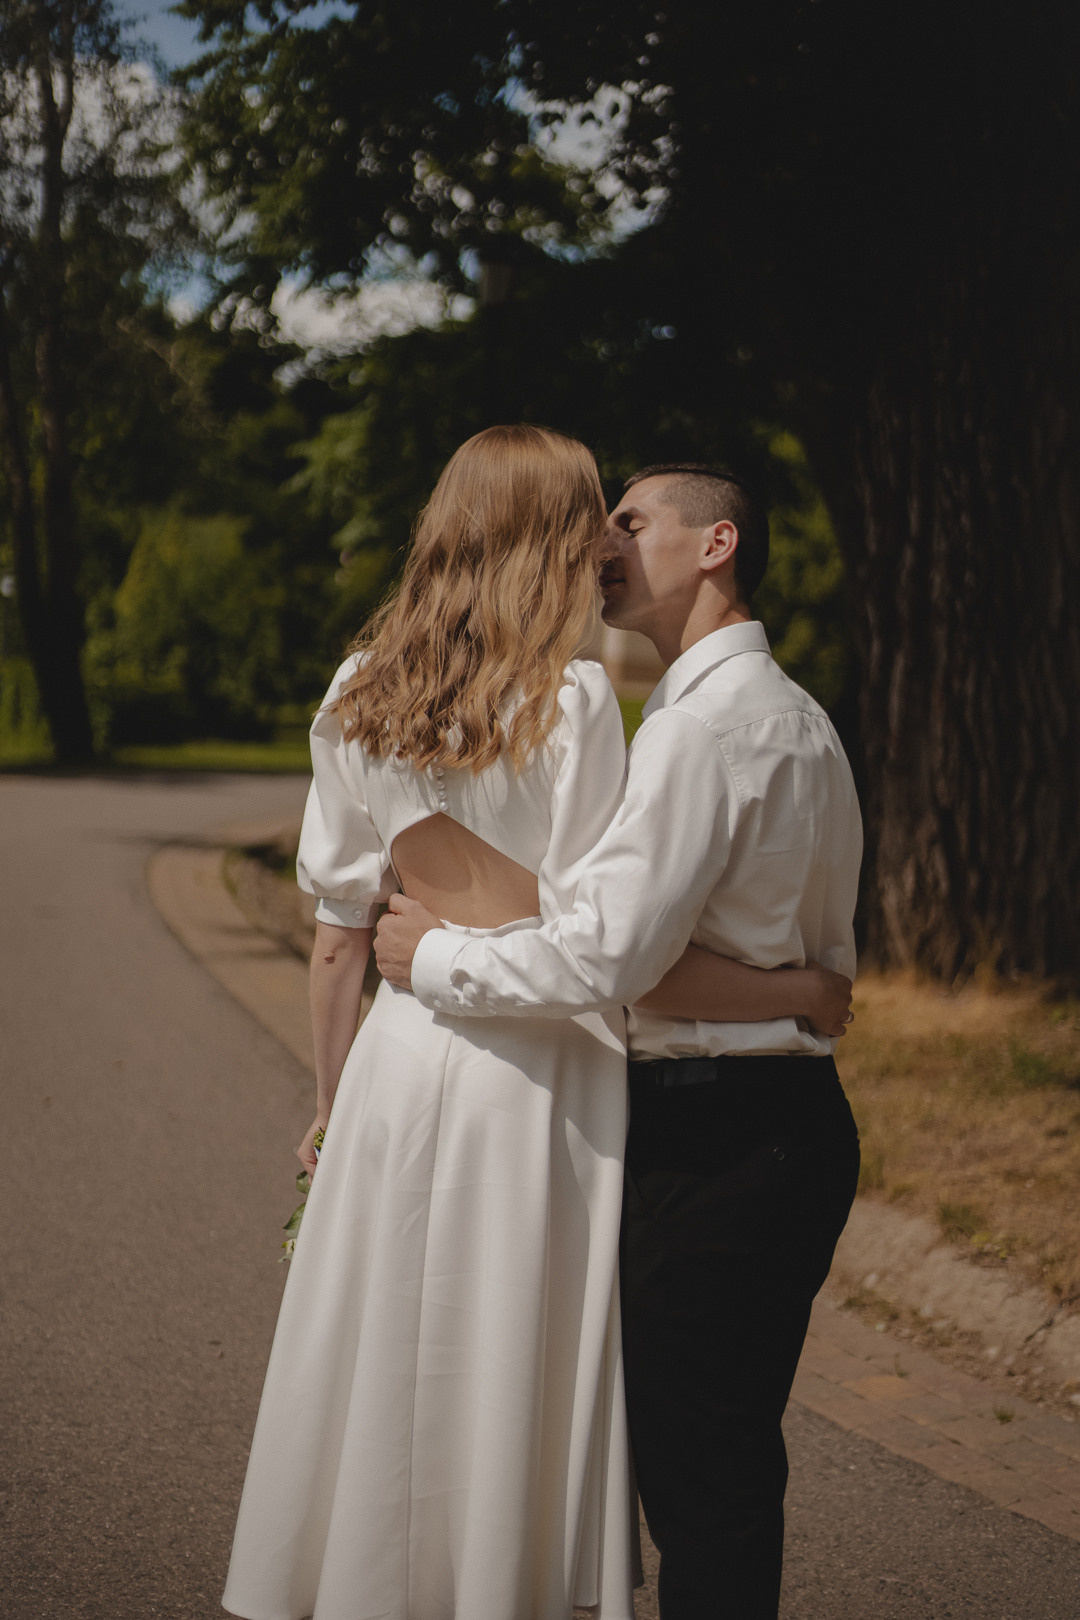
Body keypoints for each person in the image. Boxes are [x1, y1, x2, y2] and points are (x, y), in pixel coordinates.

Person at [223, 430, 852, 1620]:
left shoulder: (355, 691)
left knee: (386, 1360)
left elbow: (339, 933)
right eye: (589, 520)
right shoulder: (575, 698)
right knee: (507, 1359)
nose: (602, 544)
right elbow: (604, 940)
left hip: (402, 1063)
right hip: (542, 1071)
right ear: (549, 535)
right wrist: (796, 992)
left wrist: (328, 1102)